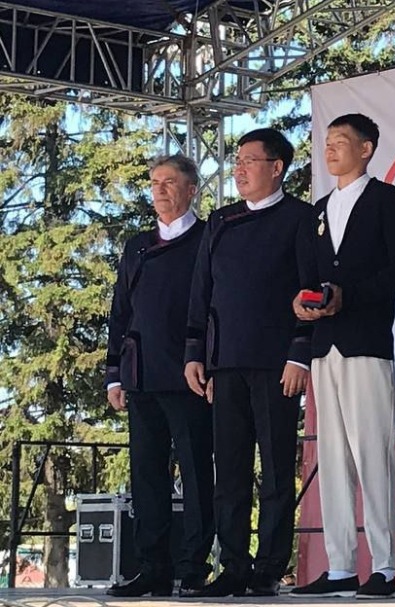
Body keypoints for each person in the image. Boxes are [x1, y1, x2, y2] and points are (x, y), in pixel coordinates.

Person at [291, 113, 395, 599]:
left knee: (372, 454)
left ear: (366, 149)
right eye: (327, 142)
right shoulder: (318, 211)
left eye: (341, 141)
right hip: (324, 346)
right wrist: (302, 302)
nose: (330, 149)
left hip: (366, 343)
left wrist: (352, 294)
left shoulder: (385, 199)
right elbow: (307, 275)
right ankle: (341, 564)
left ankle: (384, 565)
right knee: (332, 457)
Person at [183, 128, 313, 597]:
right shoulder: (221, 221)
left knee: (276, 470)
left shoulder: (301, 217)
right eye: (236, 161)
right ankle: (233, 565)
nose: (239, 169)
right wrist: (195, 353)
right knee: (231, 470)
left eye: (249, 161)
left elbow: (310, 288)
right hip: (225, 362)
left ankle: (269, 568)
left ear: (277, 167)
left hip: (277, 363)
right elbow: (202, 292)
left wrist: (300, 352)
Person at [105, 154, 214, 597]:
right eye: (154, 182)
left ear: (191, 189)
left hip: (189, 375)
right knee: (147, 474)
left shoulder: (207, 239)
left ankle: (193, 567)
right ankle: (152, 566)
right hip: (141, 373)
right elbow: (120, 311)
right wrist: (114, 373)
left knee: (195, 471)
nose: (160, 190)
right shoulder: (137, 245)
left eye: (169, 182)